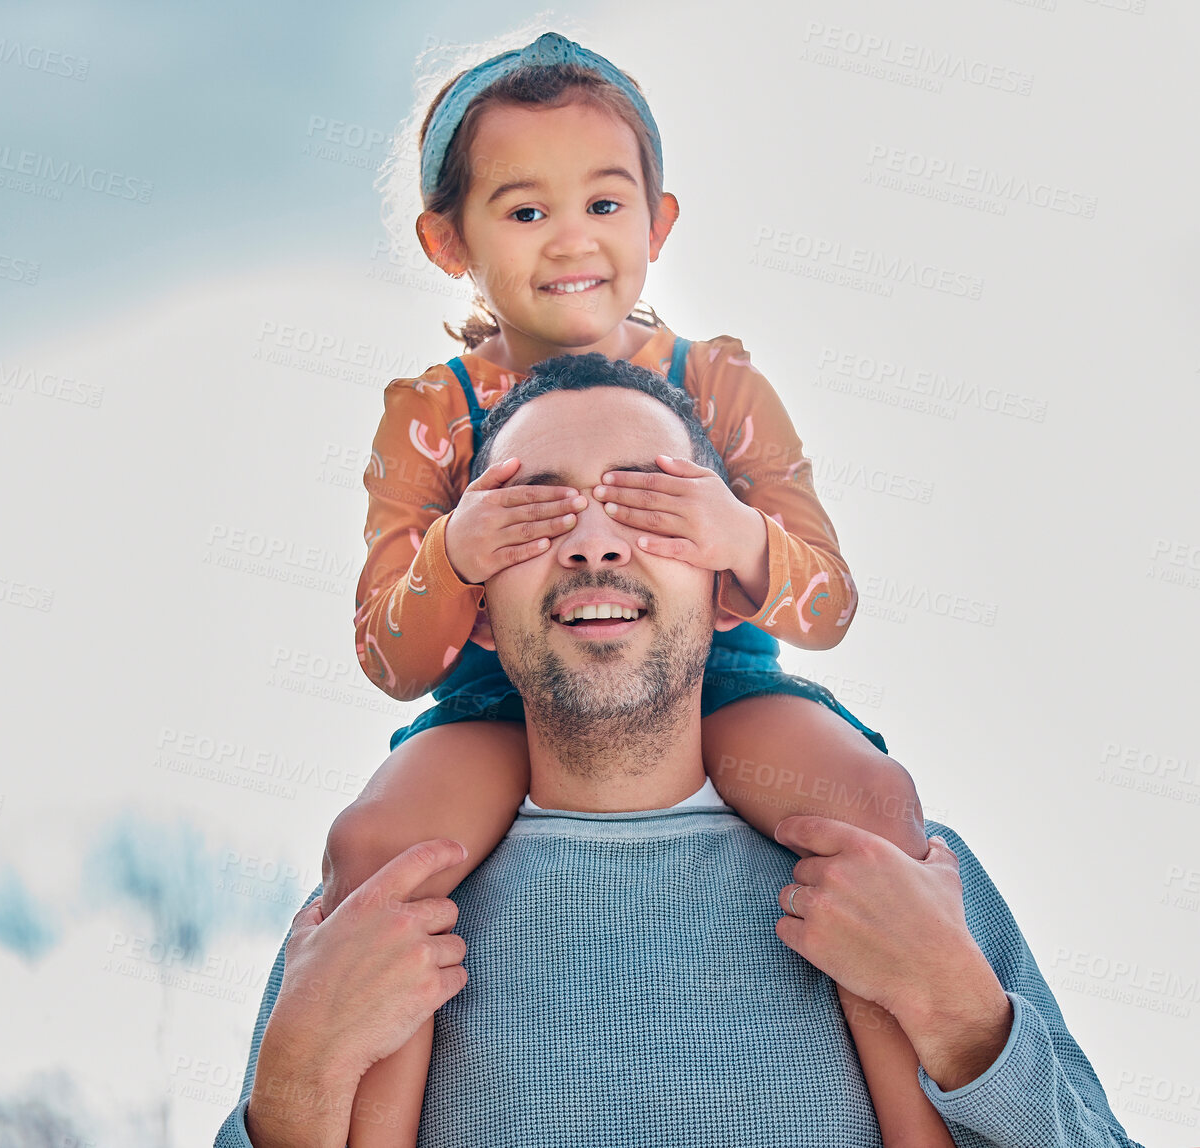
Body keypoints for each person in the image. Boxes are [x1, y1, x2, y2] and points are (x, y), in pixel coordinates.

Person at [217, 355, 1142, 1148]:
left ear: (728, 586)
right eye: (533, 512)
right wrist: (295, 1087)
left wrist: (965, 1019)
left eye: (647, 502)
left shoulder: (900, 878)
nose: (592, 546)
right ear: (480, 613)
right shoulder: (374, 916)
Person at [328, 30, 941, 1145]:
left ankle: (919, 1126)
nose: (571, 240)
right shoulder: (428, 412)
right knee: (379, 851)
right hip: (495, 707)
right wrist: (455, 553)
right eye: (522, 211)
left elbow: (827, 606)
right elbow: (386, 658)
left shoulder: (714, 380)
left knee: (872, 807)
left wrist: (737, 534)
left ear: (657, 222)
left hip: (714, 682)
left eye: (604, 205)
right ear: (444, 238)